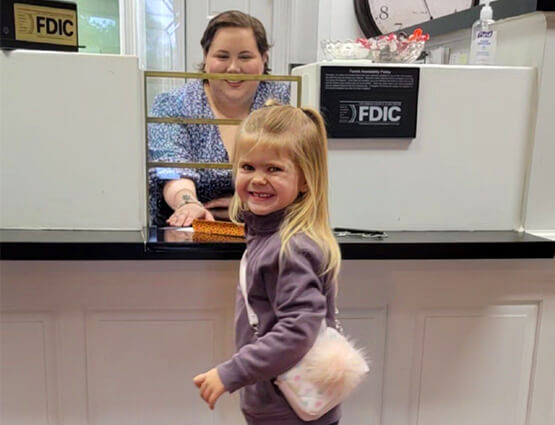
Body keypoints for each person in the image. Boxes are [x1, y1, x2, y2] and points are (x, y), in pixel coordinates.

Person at [193, 103, 342, 425]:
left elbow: (296, 331)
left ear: (305, 179)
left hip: (289, 411)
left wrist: (231, 372)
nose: (258, 179)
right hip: (284, 403)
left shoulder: (290, 248)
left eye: (274, 169)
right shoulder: (269, 237)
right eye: (247, 167)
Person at [148, 10, 290, 227]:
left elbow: (303, 172)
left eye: (245, 56)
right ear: (206, 58)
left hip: (272, 231)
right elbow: (172, 169)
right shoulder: (173, 104)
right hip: (190, 233)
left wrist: (242, 204)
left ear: (263, 59)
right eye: (222, 56)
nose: (233, 68)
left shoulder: (287, 102)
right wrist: (188, 203)